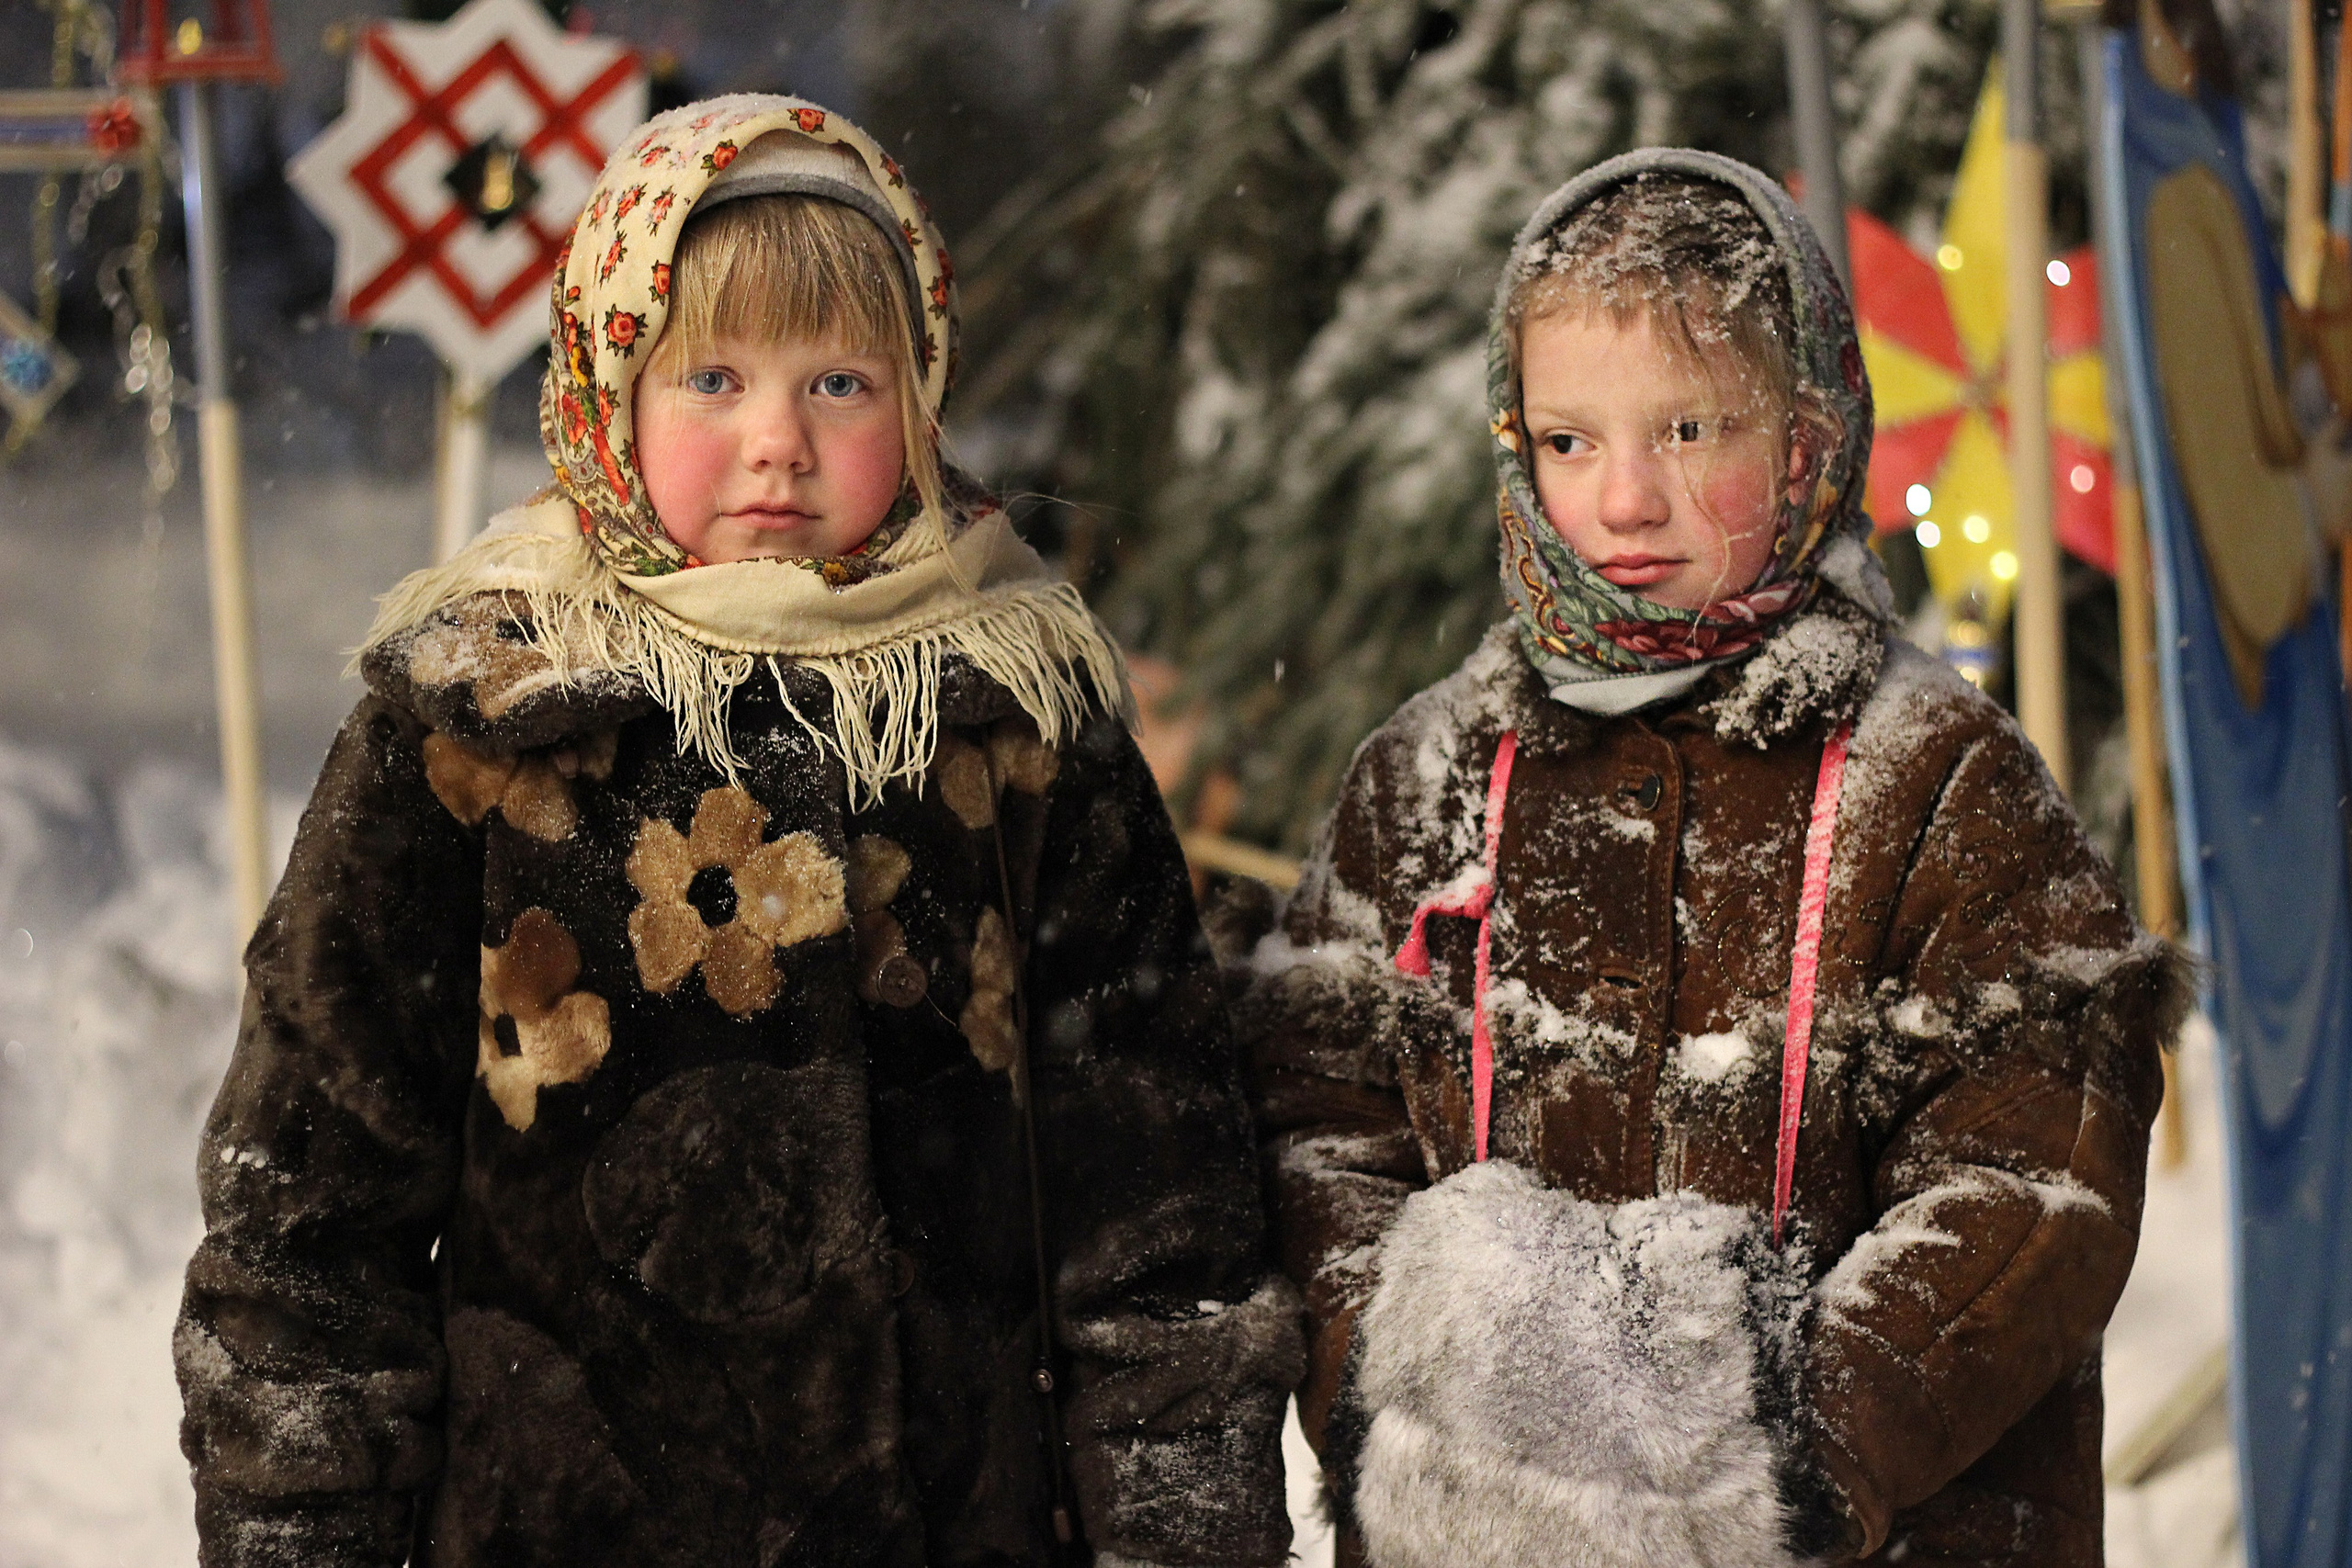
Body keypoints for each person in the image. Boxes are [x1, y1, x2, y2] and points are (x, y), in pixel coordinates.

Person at [174, 96, 1300, 1568]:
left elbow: (1155, 1205)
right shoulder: (477, 713)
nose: (778, 443)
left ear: (922, 390)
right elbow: (311, 1206)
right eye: (711, 377)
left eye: (840, 381)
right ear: (608, 385)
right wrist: (297, 1531)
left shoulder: (1019, 715)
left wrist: (1181, 1526)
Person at [1245, 150, 2186, 1568]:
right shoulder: (1425, 776)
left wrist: (1798, 1444)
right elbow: (1324, 1120)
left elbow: (2032, 1170)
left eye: (1688, 431)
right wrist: (1397, 1391)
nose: (1623, 501)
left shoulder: (1937, 778)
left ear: (1808, 439)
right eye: (1569, 442)